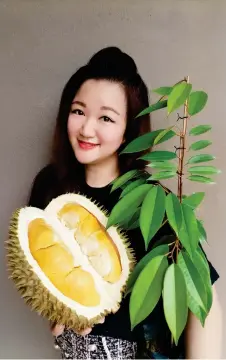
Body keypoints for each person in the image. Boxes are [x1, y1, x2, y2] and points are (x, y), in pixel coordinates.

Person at [28, 47, 222, 359]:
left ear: (127, 131)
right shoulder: (49, 188)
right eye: (78, 111)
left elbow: (203, 300)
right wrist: (61, 313)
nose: (86, 128)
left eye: (106, 117)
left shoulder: (151, 201)